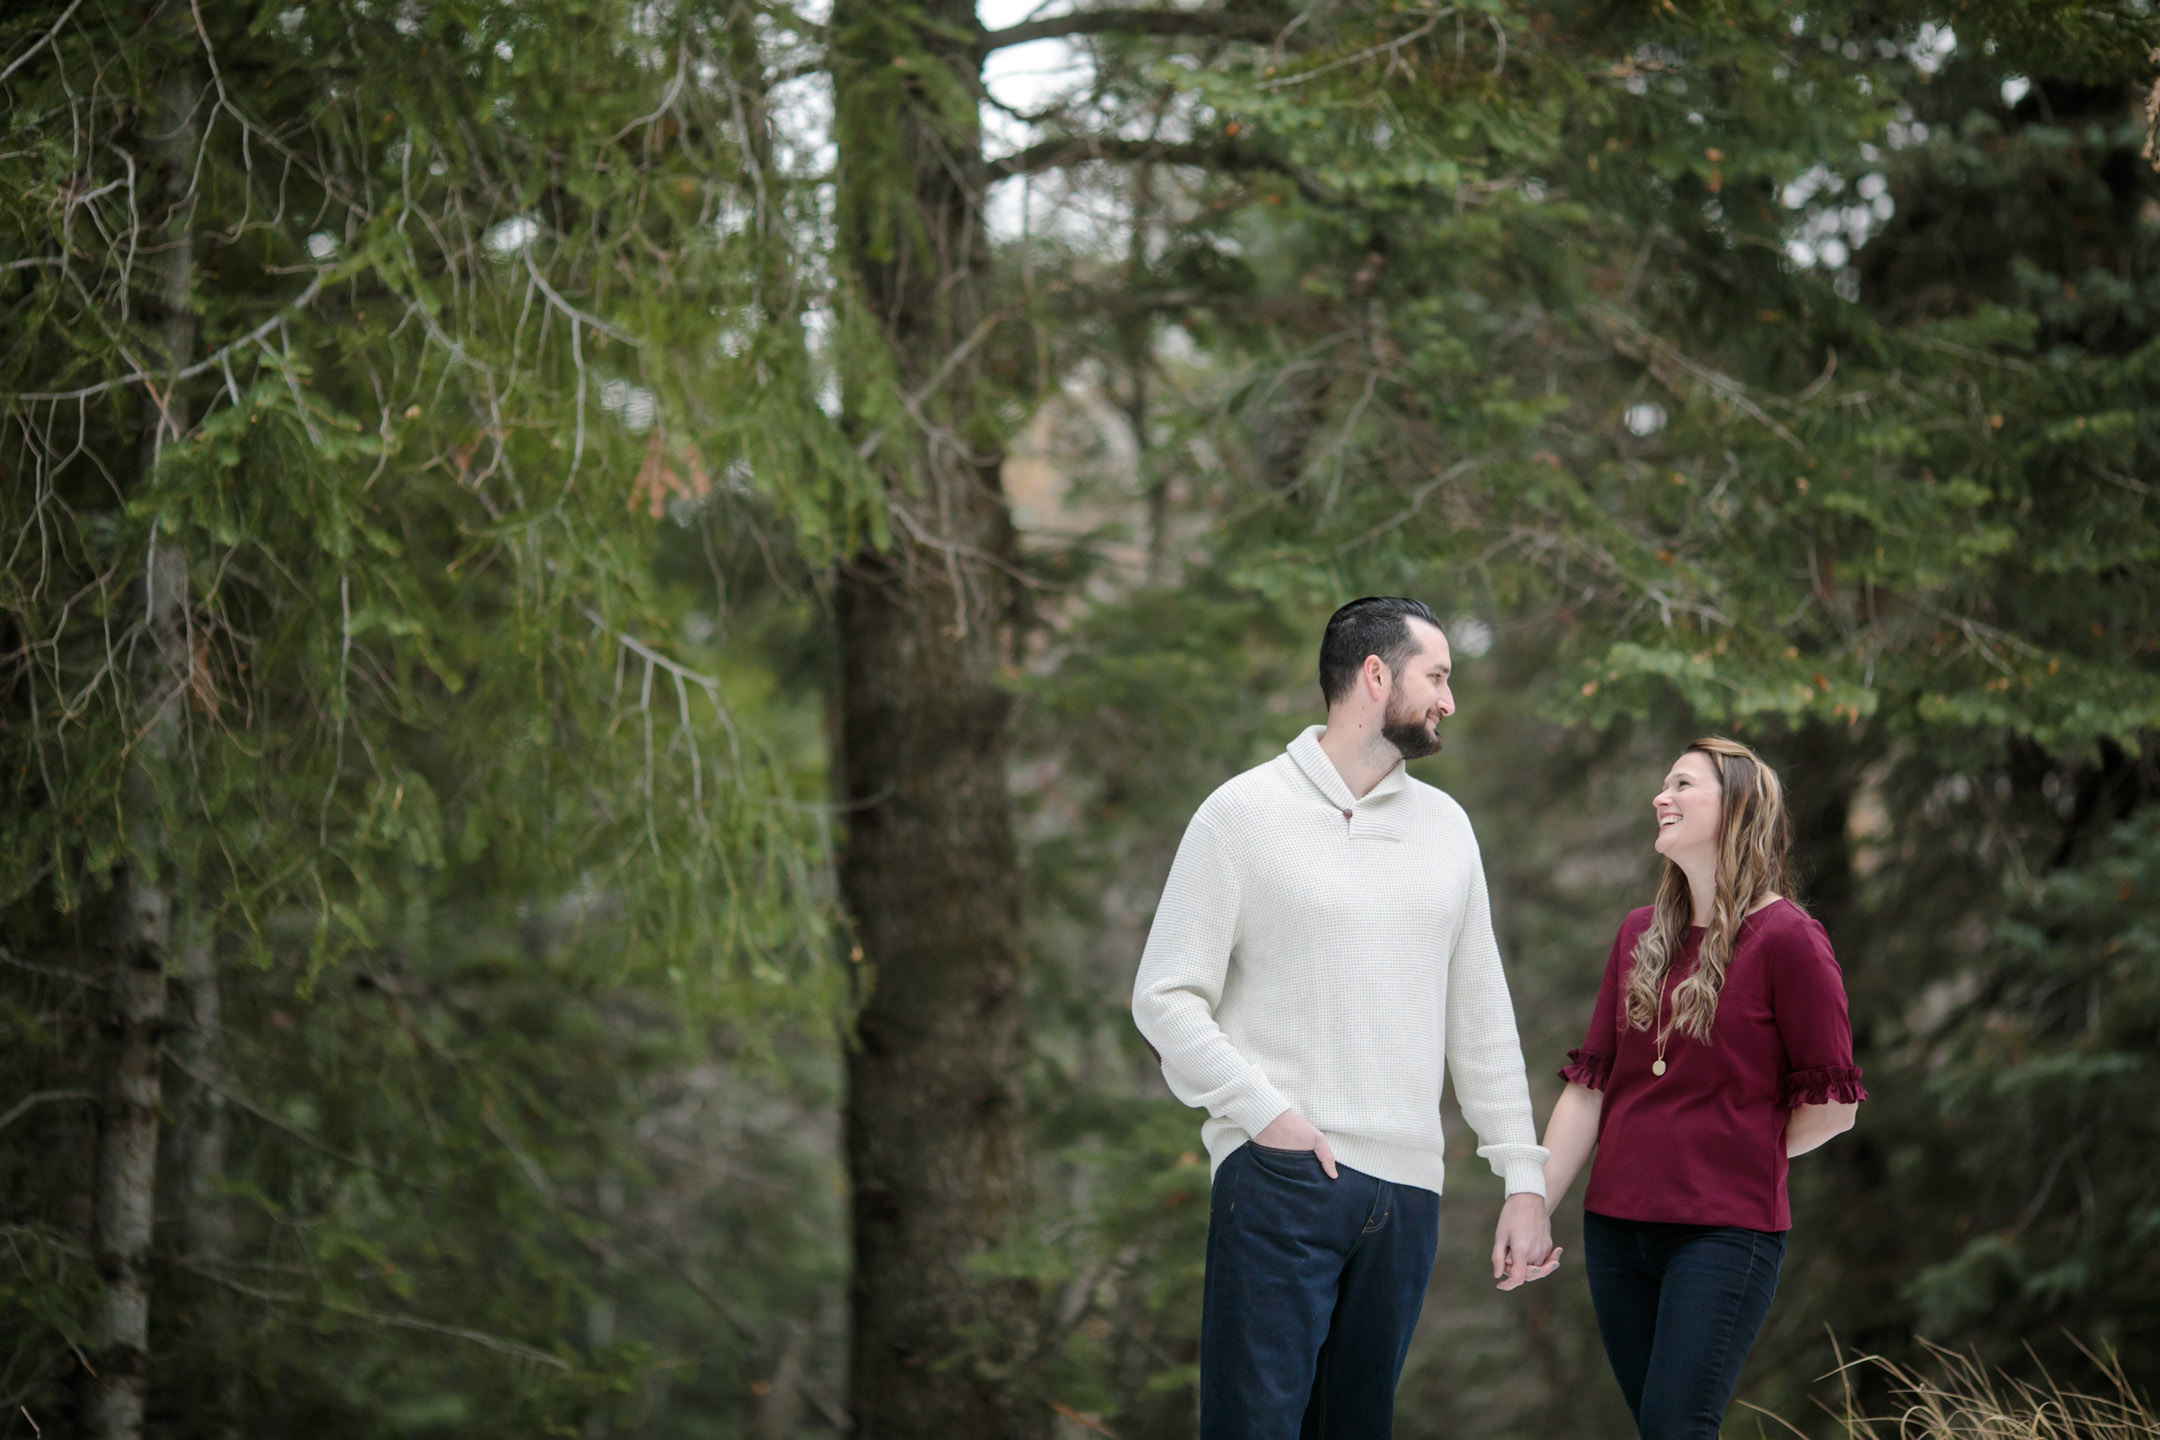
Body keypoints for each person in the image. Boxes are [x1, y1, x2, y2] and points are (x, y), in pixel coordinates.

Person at [1132, 596, 1558, 1440]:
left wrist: (1523, 1177)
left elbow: (1481, 1016)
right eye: (1436, 676)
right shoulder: (1241, 814)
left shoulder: (1446, 829)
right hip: (1281, 1178)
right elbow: (1165, 995)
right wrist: (1268, 1117)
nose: (1449, 700)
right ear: (1375, 676)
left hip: (1407, 1198)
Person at [1537, 737, 1867, 1440]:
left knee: (1676, 1425)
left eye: (1683, 784)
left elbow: (1833, 1109)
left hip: (1722, 1233)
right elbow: (1590, 1089)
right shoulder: (1636, 936)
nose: (1662, 797)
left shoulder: (1789, 940)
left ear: (1738, 808)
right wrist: (1534, 1205)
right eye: (1664, 784)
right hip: (1615, 1232)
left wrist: (1735, 1148)